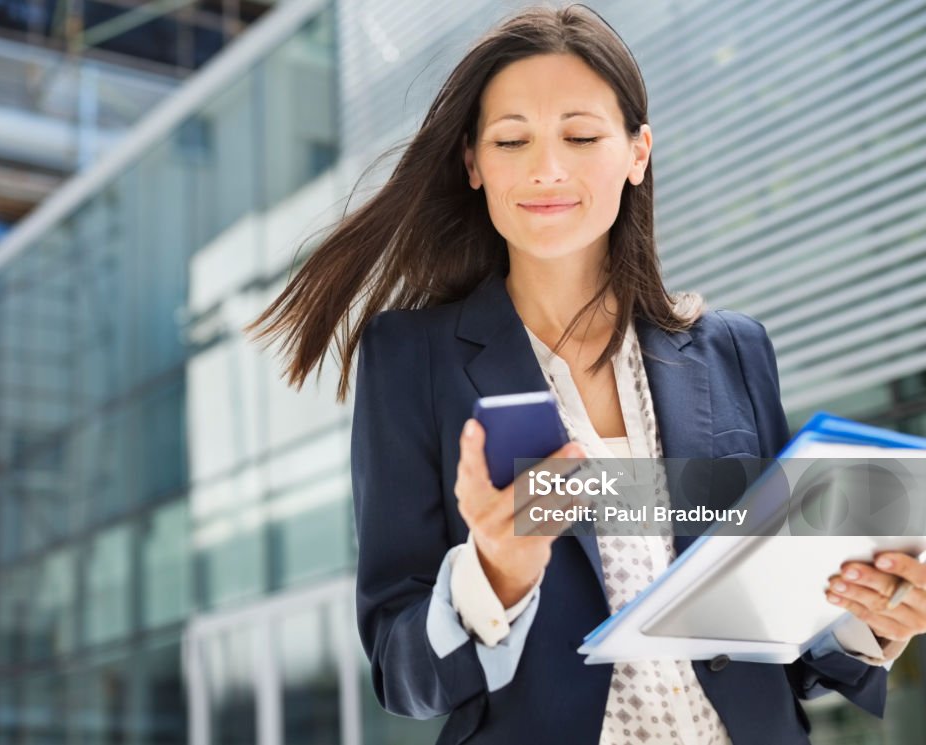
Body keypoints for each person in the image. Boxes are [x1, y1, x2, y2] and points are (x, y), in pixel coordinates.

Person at [247, 5, 926, 743]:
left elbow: (778, 640)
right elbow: (402, 671)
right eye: (512, 140)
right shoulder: (413, 360)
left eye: (580, 135)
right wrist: (494, 573)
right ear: (473, 163)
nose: (547, 168)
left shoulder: (733, 350)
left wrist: (867, 618)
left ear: (638, 153)